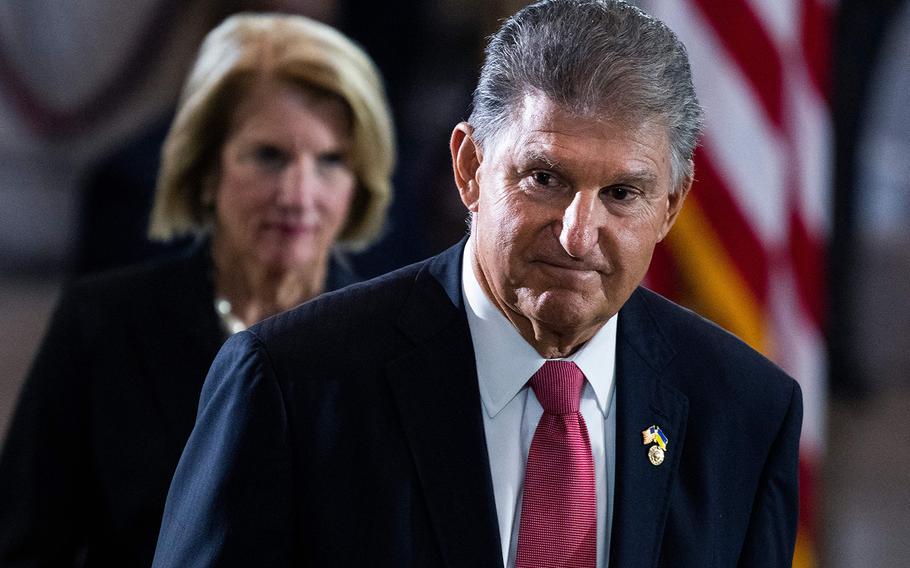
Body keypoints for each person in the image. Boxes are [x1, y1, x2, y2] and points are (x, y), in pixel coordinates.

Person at [153, 1, 802, 566]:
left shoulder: (745, 413)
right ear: (468, 168)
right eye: (545, 178)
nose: (579, 234)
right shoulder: (291, 386)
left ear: (671, 206)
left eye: (622, 193)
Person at [0, 13, 395, 567]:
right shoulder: (100, 327)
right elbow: (24, 548)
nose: (299, 195)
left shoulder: (395, 349)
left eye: (330, 162)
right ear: (207, 169)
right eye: (269, 156)